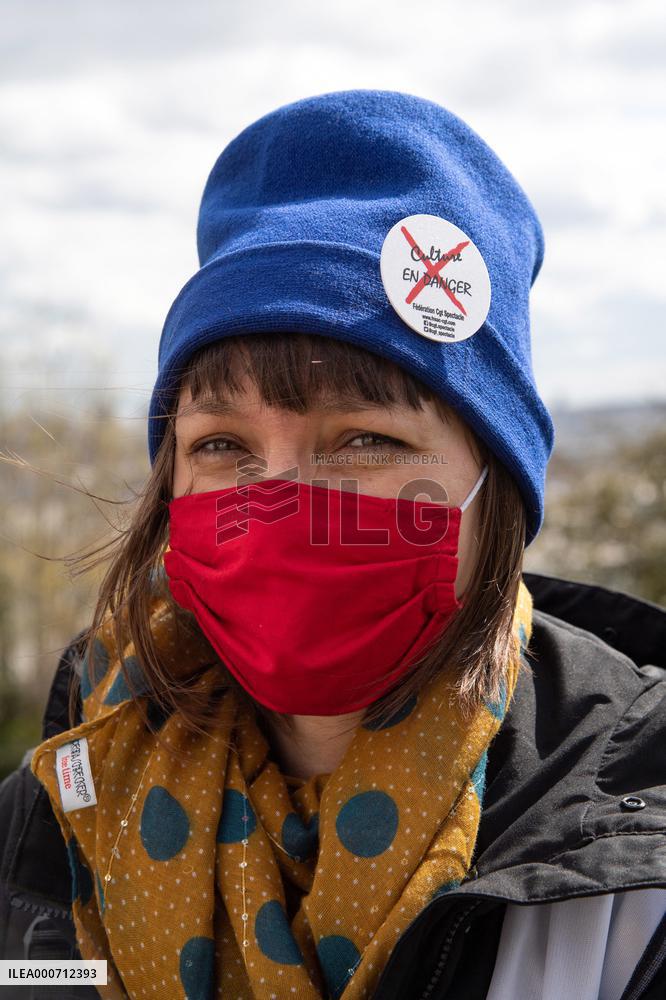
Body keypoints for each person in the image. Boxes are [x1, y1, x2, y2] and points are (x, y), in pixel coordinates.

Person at [1, 89, 664, 1000]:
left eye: (365, 441)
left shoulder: (631, 856)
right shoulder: (68, 791)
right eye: (222, 445)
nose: (277, 500)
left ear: (492, 486)